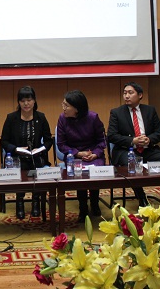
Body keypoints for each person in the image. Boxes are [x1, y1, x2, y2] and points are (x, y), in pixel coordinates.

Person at [107, 82, 160, 207]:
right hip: (126, 151)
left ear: (140, 95)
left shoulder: (150, 110)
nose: (126, 96)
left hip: (148, 150)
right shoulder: (116, 113)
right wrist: (133, 141)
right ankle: (141, 197)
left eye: (130, 93)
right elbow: (112, 135)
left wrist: (149, 139)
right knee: (133, 163)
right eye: (125, 93)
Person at [1, 86, 53, 219]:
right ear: (18, 102)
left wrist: (39, 149)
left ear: (34, 101)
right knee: (21, 168)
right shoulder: (11, 118)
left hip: (36, 157)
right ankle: (19, 203)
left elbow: (48, 141)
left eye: (29, 100)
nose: (26, 104)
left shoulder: (41, 117)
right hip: (17, 158)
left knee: (36, 167)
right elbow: (4, 141)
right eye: (22, 101)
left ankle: (36, 202)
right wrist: (17, 149)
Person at [56, 90, 106, 222]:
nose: (63, 108)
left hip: (93, 154)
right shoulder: (62, 119)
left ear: (77, 108)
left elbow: (102, 141)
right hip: (73, 155)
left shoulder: (93, 117)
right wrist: (77, 153)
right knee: (79, 172)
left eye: (66, 105)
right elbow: (61, 144)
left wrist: (95, 154)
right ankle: (83, 206)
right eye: (63, 104)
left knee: (95, 171)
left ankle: (94, 202)